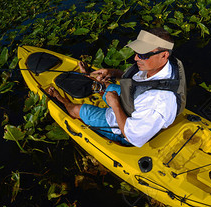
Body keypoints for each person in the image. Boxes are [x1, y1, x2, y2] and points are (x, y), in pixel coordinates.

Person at [48, 28, 186, 147]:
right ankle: (88, 77)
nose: (136, 58)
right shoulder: (163, 65)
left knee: (78, 109)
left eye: (143, 54)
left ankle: (61, 100)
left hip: (123, 129)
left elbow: (133, 137)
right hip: (134, 102)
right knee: (106, 84)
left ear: (164, 55)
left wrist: (115, 105)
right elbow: (136, 80)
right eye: (136, 52)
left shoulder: (159, 102)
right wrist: (113, 72)